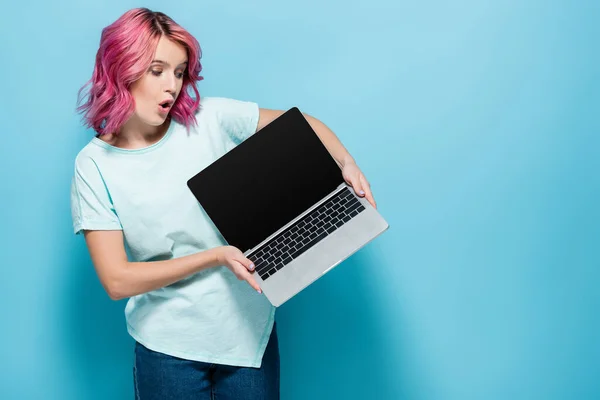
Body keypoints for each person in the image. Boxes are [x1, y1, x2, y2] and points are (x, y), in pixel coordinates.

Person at [70, 7, 377, 400]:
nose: (172, 87)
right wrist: (213, 257)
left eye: (180, 72)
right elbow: (117, 280)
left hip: (249, 337)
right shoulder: (94, 166)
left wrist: (346, 163)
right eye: (157, 70)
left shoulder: (208, 119)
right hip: (167, 348)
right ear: (120, 67)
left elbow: (303, 124)